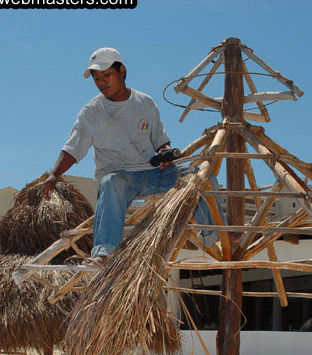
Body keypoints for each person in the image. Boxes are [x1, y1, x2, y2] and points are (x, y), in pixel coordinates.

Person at [43, 46, 216, 267]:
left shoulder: (145, 103)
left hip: (153, 173)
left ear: (122, 71)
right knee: (111, 183)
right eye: (96, 78)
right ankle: (104, 253)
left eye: (107, 75)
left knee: (197, 174)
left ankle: (212, 236)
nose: (102, 82)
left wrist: (164, 154)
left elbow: (161, 140)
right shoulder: (91, 112)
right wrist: (54, 174)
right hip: (120, 176)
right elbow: (72, 148)